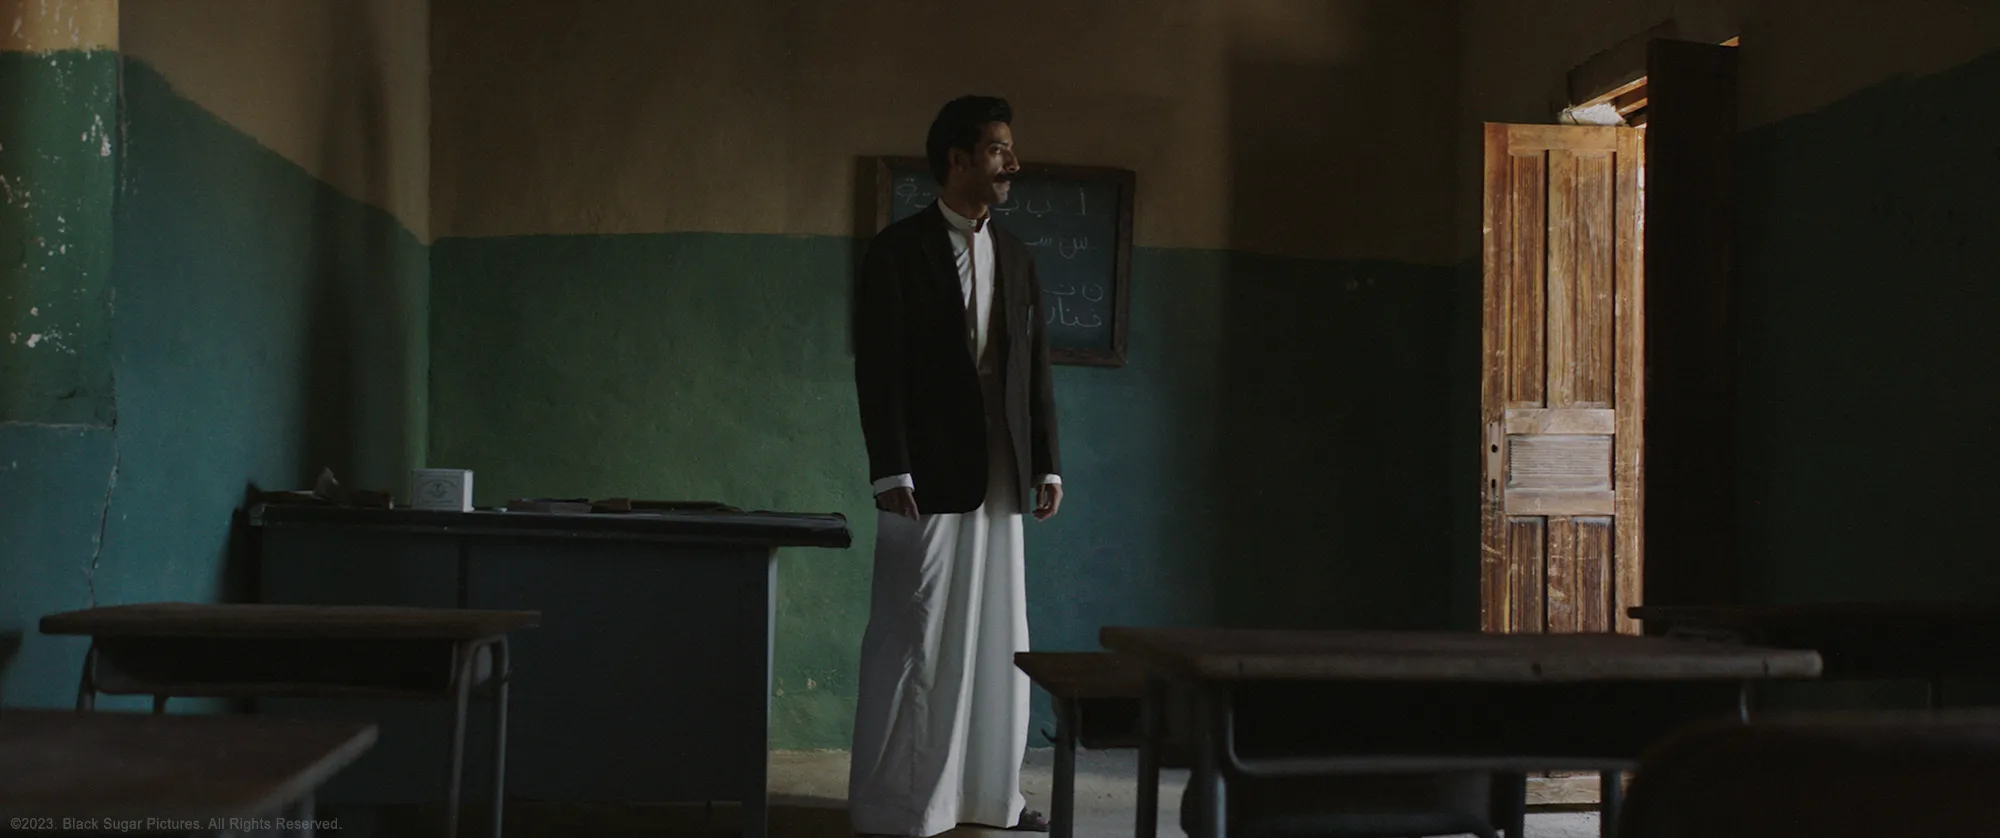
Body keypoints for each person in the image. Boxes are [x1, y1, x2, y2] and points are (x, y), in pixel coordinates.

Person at [846, 94, 1065, 837]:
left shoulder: (1019, 257)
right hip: (923, 477)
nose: (1013, 164)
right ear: (958, 159)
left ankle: (990, 796)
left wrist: (1048, 463)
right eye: (999, 150)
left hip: (1003, 471)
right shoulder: (897, 251)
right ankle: (900, 805)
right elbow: (880, 371)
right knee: (915, 631)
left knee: (1000, 631)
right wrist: (890, 470)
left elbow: (1035, 367)